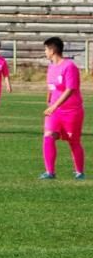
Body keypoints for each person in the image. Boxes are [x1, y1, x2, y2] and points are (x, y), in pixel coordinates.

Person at [39, 37, 85, 181]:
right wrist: (49, 100)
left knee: (73, 141)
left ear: (52, 50)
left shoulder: (69, 67)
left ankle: (79, 172)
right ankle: (50, 172)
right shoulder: (51, 67)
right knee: (48, 136)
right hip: (55, 111)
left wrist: (54, 105)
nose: (45, 52)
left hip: (72, 111)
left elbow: (70, 89)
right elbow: (51, 86)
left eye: (46, 49)